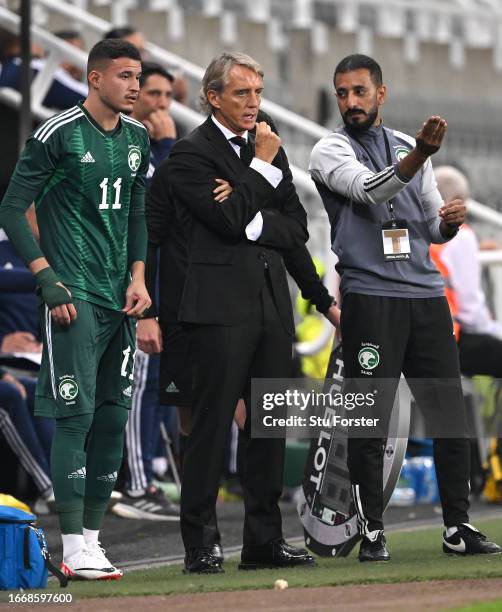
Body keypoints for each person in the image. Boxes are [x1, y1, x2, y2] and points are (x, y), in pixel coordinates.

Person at [309, 53, 500, 562]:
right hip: (371, 298)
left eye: (359, 92)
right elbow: (370, 191)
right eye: (343, 93)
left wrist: (451, 222)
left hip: (427, 298)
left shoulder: (405, 146)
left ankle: (458, 526)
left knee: (448, 415)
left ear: (381, 93)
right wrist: (417, 156)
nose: (350, 102)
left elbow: (431, 223)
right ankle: (372, 529)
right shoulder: (329, 149)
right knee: (371, 420)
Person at [145, 105, 338, 559]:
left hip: (272, 307)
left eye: (257, 91)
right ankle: (200, 544)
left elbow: (296, 229)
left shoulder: (268, 145)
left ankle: (264, 541)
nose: (253, 102)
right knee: (211, 428)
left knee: (267, 429)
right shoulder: (190, 154)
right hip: (216, 308)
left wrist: (251, 210)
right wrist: (258, 176)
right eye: (242, 92)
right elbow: (225, 221)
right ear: (214, 97)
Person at [0, 39, 151, 580]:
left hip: (121, 297)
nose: (135, 85)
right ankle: (69, 543)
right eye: (126, 76)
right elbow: (13, 208)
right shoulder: (57, 132)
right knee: (77, 414)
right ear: (94, 79)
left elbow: (137, 209)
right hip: (75, 293)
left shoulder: (137, 137)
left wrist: (139, 278)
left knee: (114, 414)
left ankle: (91, 541)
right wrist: (45, 277)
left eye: (139, 76)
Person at [112, 61, 180, 520]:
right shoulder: (124, 145)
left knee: (156, 388)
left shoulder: (160, 150)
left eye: (166, 96)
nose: (158, 104)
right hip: (127, 291)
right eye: (151, 93)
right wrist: (169, 145)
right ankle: (134, 484)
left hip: (161, 288)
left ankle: (147, 477)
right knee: (135, 389)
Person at [432, 166, 502, 377]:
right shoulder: (462, 236)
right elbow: (471, 312)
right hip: (450, 339)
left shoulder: (416, 231)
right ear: (460, 200)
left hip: (421, 336)